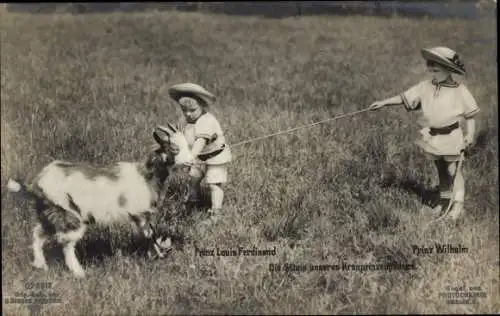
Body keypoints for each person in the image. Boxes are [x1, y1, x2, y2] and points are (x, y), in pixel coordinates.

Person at [368, 46, 480, 219]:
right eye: (430, 67)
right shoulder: (424, 87)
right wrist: (383, 102)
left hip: (452, 137)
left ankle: (458, 205)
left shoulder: (460, 90)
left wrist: (470, 135)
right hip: (434, 137)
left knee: (453, 171)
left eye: (437, 68)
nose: (432, 71)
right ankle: (444, 203)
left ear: (449, 69)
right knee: (441, 170)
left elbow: (470, 115)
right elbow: (403, 97)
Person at [168, 83, 232, 223]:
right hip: (199, 158)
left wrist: (190, 156)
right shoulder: (185, 121)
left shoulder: (206, 121)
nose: (188, 114)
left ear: (202, 105)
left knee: (214, 184)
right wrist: (177, 149)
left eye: (192, 110)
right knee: (193, 179)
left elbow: (200, 142)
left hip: (215, 157)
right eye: (184, 110)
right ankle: (193, 202)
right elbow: (181, 138)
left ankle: (216, 214)